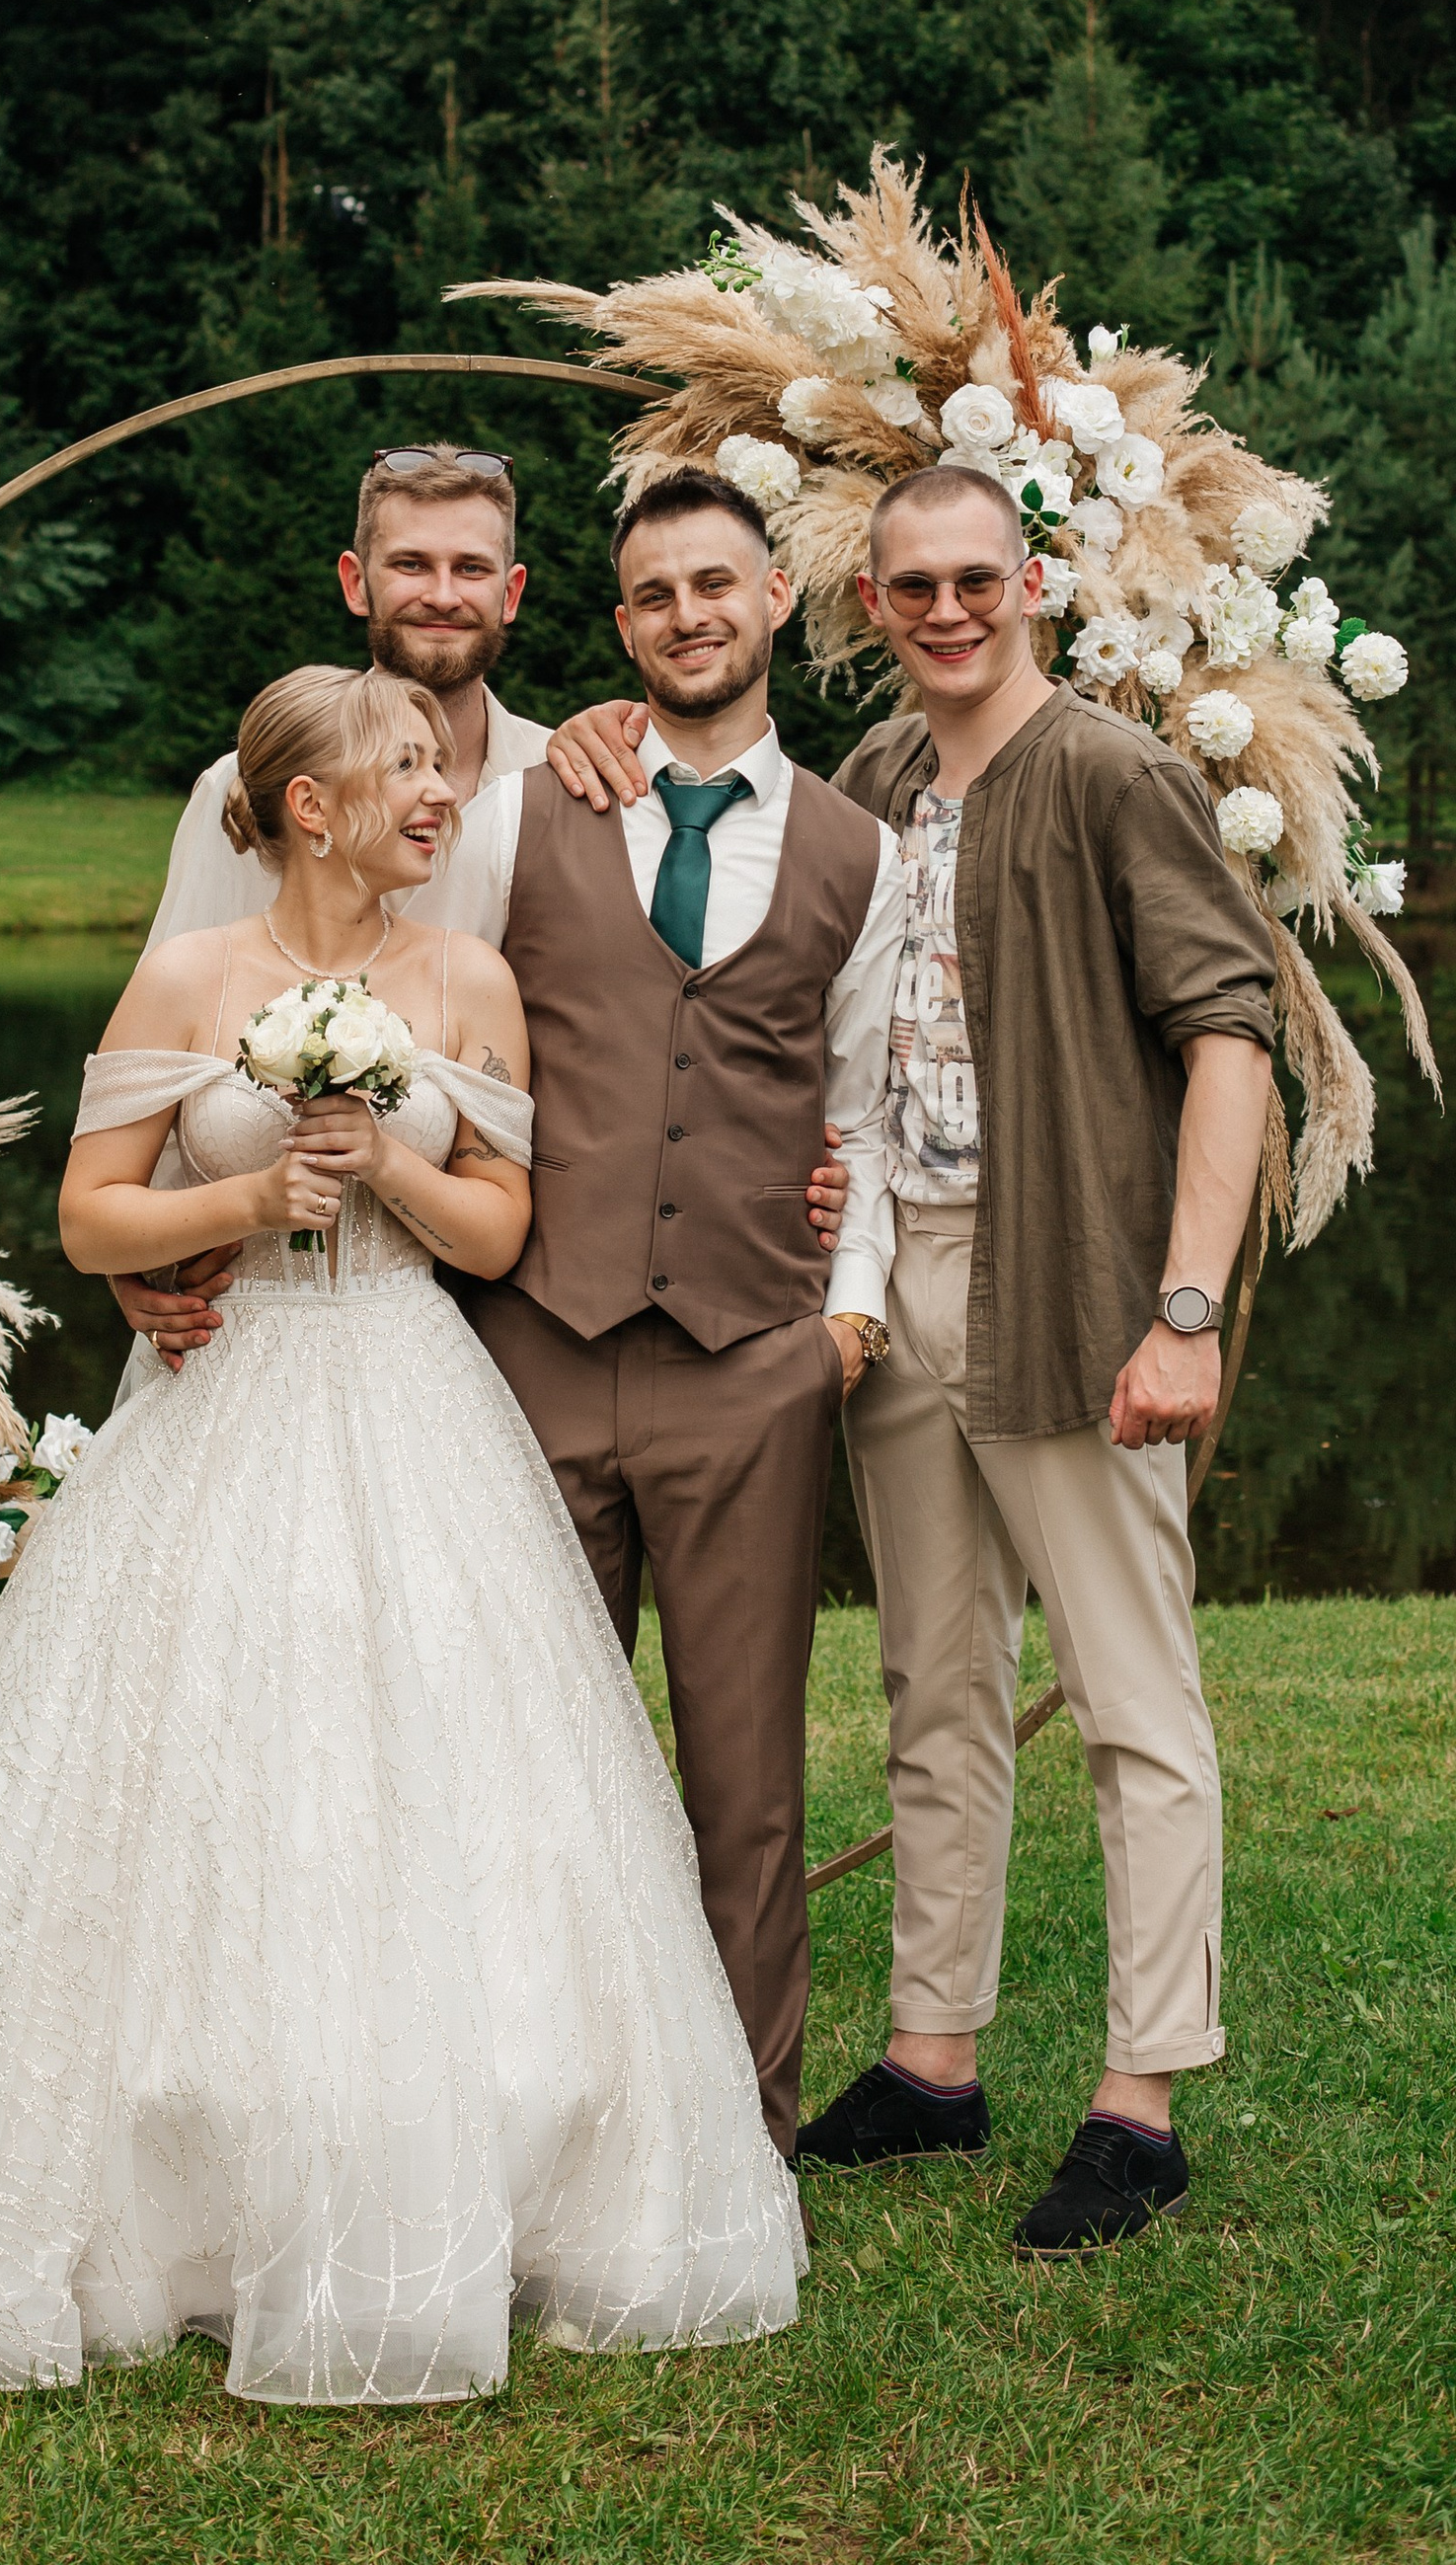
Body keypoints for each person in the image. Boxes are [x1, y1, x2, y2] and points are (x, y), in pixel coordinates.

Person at [0, 666, 804, 2403]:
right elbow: (91, 1206)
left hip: (412, 1390)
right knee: (186, 1747)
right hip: (231, 1382)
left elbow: (496, 1233)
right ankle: (146, 2150)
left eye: (439, 765)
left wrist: (387, 1169)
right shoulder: (194, 976)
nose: (438, 796)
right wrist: (253, 1198)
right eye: (404, 770)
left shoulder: (468, 981)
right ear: (306, 802)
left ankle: (484, 2145)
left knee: (437, 1758)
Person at [546, 459, 1278, 2255]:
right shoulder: (865, 786)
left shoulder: (1112, 774)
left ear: (1031, 580)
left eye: (976, 580)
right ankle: (934, 2060)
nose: (947, 611)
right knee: (935, 1693)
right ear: (863, 605)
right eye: (912, 588)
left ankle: (1142, 2097)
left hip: (1073, 1285)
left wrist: (1184, 1310)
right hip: (880, 1297)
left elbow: (1232, 1037)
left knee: (1132, 1701)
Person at [422, 470, 908, 2162]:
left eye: (719, 582)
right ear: (617, 625)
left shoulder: (863, 852)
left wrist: (840, 1330)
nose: (690, 613)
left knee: (745, 1787)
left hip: (746, 1368)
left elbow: (866, 1114)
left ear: (779, 600)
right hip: (536, 1349)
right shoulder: (526, 813)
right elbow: (437, 1045)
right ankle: (509, 2126)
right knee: (516, 1774)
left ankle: (737, 2149)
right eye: (655, 594)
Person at [123, 441, 550, 1378]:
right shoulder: (250, 790)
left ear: (509, 592)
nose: (443, 592)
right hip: (250, 1305)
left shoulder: (569, 783)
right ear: (357, 582)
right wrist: (139, 1268)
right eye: (411, 564)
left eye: (471, 568)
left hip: (510, 1294)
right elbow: (153, 1071)